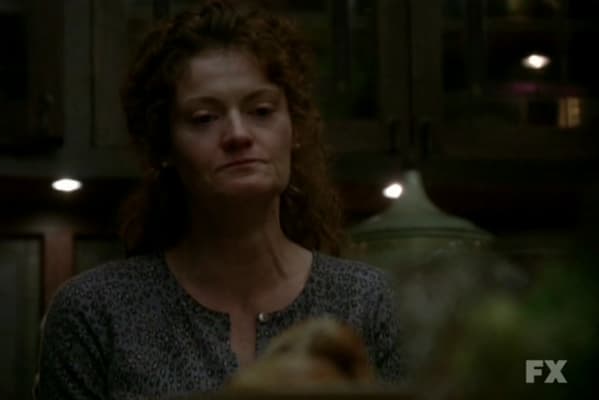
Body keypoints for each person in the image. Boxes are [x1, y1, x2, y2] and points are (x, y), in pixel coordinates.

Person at [34, 1, 402, 398]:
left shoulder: (367, 301)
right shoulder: (95, 312)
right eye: (204, 118)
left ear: (293, 128)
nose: (238, 134)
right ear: (164, 146)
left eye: (262, 110)